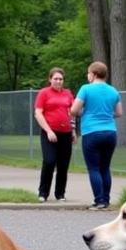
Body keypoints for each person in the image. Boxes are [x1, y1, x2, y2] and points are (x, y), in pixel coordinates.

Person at [70, 61, 122, 210]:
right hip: (110, 132)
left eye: (88, 73)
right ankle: (106, 200)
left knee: (94, 168)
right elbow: (119, 113)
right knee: (105, 168)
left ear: (93, 74)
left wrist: (85, 112)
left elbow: (74, 110)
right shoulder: (113, 91)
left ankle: (98, 201)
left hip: (91, 132)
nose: (88, 76)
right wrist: (104, 114)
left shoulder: (86, 89)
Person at [33, 67, 76, 202]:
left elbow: (71, 113)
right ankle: (43, 193)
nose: (58, 81)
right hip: (49, 133)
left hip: (66, 133)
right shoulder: (44, 93)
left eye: (60, 79)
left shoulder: (68, 94)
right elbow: (38, 113)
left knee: (63, 164)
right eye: (55, 78)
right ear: (50, 79)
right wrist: (48, 131)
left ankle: (60, 194)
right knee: (49, 161)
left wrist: (73, 130)